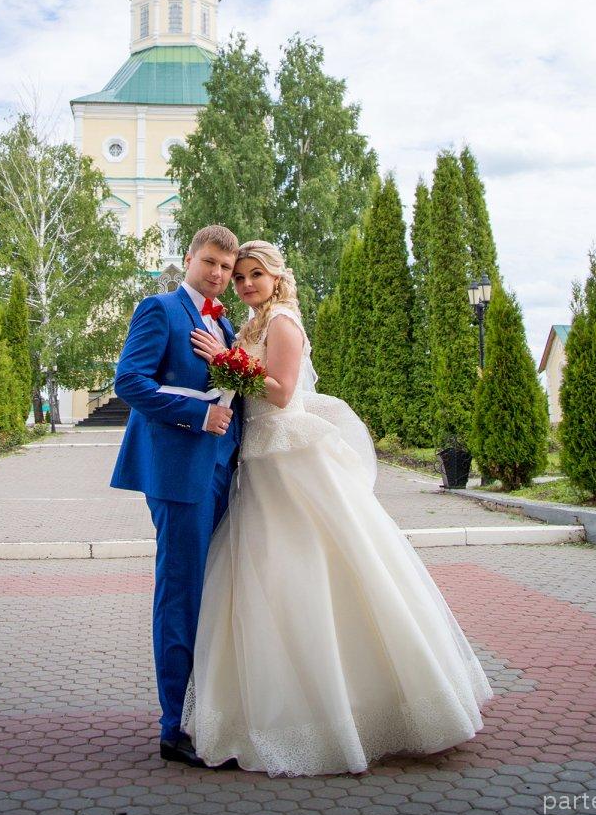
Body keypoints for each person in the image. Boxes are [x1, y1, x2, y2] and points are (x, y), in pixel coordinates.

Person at [182, 240, 495, 776]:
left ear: (277, 278)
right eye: (240, 277)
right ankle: (269, 710)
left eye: (256, 275)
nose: (246, 284)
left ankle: (370, 709)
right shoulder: (251, 324)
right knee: (268, 575)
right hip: (258, 460)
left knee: (315, 566)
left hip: (290, 458)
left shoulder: (282, 322)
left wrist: (225, 361)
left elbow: (282, 393)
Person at [110, 224, 243, 768]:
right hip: (178, 472)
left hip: (221, 469)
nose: (217, 273)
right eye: (209, 261)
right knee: (180, 592)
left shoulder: (224, 322)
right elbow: (129, 382)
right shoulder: (160, 310)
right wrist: (197, 414)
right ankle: (173, 728)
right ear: (189, 258)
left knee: (212, 592)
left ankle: (204, 711)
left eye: (226, 268)